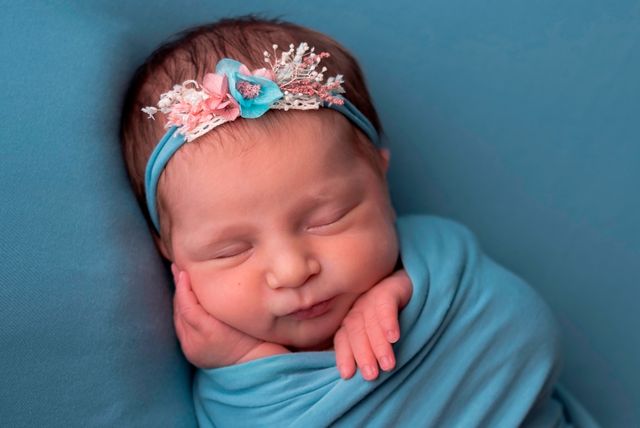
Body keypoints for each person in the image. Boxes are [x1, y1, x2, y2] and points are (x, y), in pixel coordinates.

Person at [120, 15, 597, 427]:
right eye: (232, 250)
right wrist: (247, 364)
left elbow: (521, 327)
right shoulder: (225, 374)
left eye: (328, 219)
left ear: (381, 183)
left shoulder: (445, 272)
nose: (292, 270)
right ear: (168, 250)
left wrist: (405, 292)